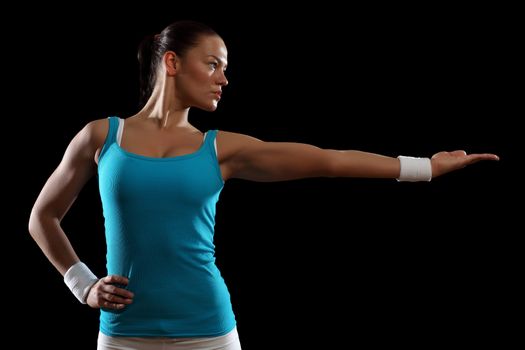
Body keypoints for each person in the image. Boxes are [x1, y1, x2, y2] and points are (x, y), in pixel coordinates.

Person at [28, 20, 499, 350]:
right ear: (171, 62)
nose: (224, 79)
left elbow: (327, 161)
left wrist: (426, 168)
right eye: (213, 64)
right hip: (122, 333)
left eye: (225, 68)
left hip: (209, 330)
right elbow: (42, 217)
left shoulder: (222, 149)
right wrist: (82, 285)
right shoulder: (100, 136)